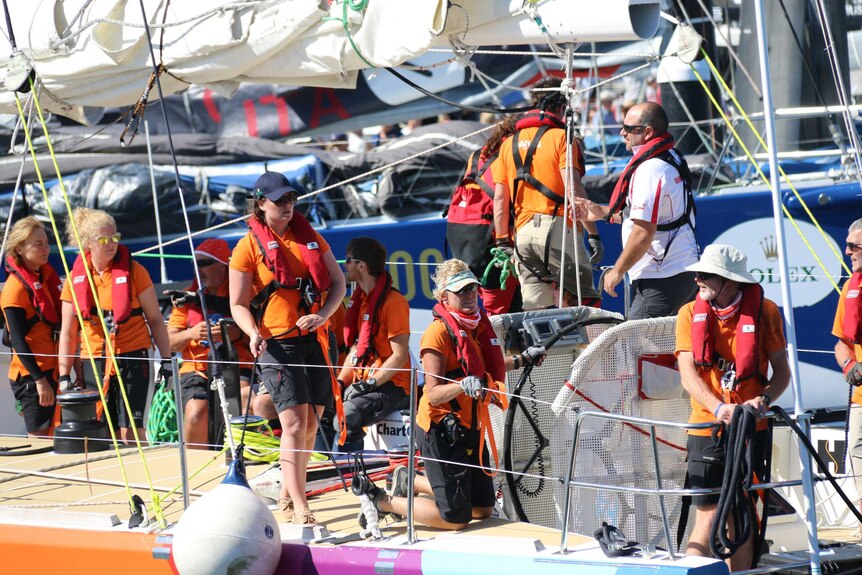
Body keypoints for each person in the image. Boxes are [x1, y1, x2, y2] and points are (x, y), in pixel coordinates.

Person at [356, 260, 544, 529]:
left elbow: (486, 367)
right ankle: (383, 501)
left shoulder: (478, 324)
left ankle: (409, 480)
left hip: (470, 425)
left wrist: (522, 359)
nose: (468, 296)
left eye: (472, 289)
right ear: (444, 296)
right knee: (456, 519)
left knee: (482, 509)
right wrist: (463, 385)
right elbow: (432, 394)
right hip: (441, 429)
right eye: (461, 291)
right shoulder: (438, 333)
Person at [229, 171, 346, 525]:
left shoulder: (310, 238)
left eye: (291, 199)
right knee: (294, 424)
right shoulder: (247, 247)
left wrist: (323, 316)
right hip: (276, 344)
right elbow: (236, 304)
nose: (287, 206)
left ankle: (285, 493)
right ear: (260, 204)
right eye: (280, 201)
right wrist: (251, 332)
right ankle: (300, 503)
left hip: (312, 339)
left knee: (314, 422)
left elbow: (338, 284)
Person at [675, 244, 790, 571]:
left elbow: (782, 373)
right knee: (708, 513)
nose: (698, 279)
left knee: (740, 515)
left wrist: (763, 400)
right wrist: (717, 408)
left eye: (706, 275)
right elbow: (688, 374)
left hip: (752, 429)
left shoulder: (765, 312)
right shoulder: (688, 314)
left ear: (730, 281)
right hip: (705, 428)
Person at [57, 208, 172, 444]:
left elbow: (156, 319)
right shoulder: (74, 280)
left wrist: (167, 361)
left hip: (133, 356)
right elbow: (68, 331)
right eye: (103, 239)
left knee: (131, 429)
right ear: (88, 243)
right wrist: (63, 375)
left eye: (115, 237)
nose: (111, 244)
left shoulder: (136, 272)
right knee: (99, 427)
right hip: (93, 360)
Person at [575, 102, 698, 319]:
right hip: (681, 269)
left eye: (628, 128)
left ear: (648, 132)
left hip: (661, 277)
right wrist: (602, 213)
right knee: (676, 346)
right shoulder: (671, 155)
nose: (622, 132)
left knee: (637, 347)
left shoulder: (649, 169)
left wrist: (617, 271)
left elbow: (643, 232)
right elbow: (657, 217)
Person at [492, 76, 603, 310]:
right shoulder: (562, 137)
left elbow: (500, 200)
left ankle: (544, 348)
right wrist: (593, 234)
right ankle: (585, 348)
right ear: (562, 108)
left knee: (537, 313)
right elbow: (574, 190)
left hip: (522, 236)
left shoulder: (507, 144)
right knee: (584, 302)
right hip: (559, 230)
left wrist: (503, 241)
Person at [167, 238, 253, 449]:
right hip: (196, 368)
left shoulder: (241, 294)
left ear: (223, 267)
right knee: (197, 412)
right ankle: (195, 467)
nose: (200, 270)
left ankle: (244, 458)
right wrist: (191, 333)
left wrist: (232, 334)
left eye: (205, 264)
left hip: (236, 364)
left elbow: (258, 333)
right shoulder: (186, 298)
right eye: (196, 264)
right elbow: (168, 343)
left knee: (245, 402)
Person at [336, 237, 411, 452]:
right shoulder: (362, 300)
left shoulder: (394, 302)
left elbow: (400, 356)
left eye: (348, 260)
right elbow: (356, 350)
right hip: (367, 381)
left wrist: (369, 384)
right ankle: (326, 461)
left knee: (347, 415)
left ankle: (358, 473)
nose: (344, 265)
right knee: (326, 403)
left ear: (362, 265)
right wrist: (341, 382)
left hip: (394, 386)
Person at [1, 217, 63, 437]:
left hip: (52, 369)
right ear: (20, 248)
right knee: (39, 438)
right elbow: (17, 341)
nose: (45, 248)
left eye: (46, 242)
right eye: (38, 244)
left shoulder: (44, 277)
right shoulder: (14, 290)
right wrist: (40, 381)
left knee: (56, 435)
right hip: (32, 376)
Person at [832, 218, 862, 513]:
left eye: (854, 246)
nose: (848, 251)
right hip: (860, 399)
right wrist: (849, 364)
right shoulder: (850, 289)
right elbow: (840, 342)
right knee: (858, 457)